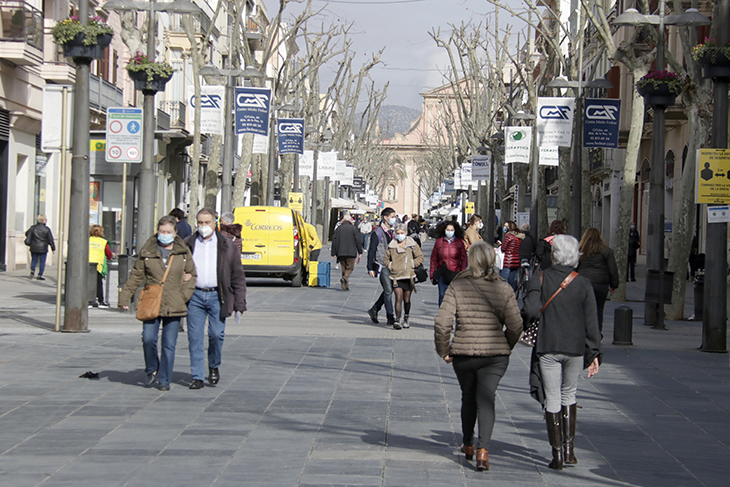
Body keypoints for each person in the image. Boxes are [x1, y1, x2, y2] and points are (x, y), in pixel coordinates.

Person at [434, 242, 523, 471]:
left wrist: (444, 350)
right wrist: (506, 345)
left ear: (471, 260)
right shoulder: (504, 288)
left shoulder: (458, 285)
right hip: (495, 355)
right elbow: (515, 325)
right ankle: (484, 450)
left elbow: (442, 322)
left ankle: (468, 443)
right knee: (487, 398)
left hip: (464, 352)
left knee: (468, 397)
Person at [523, 235, 601, 471]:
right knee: (570, 393)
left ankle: (556, 455)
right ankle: (570, 451)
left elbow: (532, 309)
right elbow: (592, 322)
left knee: (553, 396)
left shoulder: (541, 277)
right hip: (575, 347)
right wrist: (594, 352)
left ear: (554, 254)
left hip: (549, 344)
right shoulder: (583, 283)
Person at [119, 216, 197, 391]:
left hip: (174, 303)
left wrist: (183, 296)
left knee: (169, 344)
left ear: (175, 232)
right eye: (162, 231)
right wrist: (125, 297)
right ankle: (151, 368)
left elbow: (192, 275)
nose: (165, 235)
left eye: (168, 232)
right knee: (148, 338)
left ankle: (164, 379)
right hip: (151, 301)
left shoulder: (183, 252)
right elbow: (136, 275)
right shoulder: (148, 251)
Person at [184, 208, 248, 390]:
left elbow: (237, 275)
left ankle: (214, 365)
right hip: (194, 296)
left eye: (207, 222)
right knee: (195, 337)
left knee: (216, 334)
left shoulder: (227, 245)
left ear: (215, 223)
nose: (203, 226)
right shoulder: (188, 244)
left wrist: (240, 303)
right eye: (200, 223)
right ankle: (196, 375)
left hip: (217, 296)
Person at [578, 228, 619, 335]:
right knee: (598, 309)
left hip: (583, 283)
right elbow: (613, 270)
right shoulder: (607, 251)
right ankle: (596, 332)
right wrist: (614, 285)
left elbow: (575, 267)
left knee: (583, 308)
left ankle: (584, 331)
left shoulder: (580, 251)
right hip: (601, 284)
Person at [383, 224, 424, 329]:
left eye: (402, 233)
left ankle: (406, 317)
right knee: (398, 297)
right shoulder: (391, 245)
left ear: (406, 233)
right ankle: (397, 319)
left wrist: (412, 264)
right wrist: (391, 266)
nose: (400, 235)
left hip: (409, 275)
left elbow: (420, 256)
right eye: (398, 233)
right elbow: (386, 259)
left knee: (407, 299)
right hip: (396, 276)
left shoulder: (412, 244)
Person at [367, 207, 398, 326]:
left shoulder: (395, 232)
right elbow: (372, 250)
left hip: (394, 265)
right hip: (382, 265)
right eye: (392, 217)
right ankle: (390, 316)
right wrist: (370, 268)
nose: (394, 219)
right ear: (385, 218)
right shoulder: (377, 233)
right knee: (389, 290)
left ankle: (374, 309)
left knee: (389, 290)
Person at [430, 221, 468, 306]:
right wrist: (432, 274)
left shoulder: (459, 243)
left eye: (452, 230)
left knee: (453, 297)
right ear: (444, 230)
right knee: (442, 295)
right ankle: (442, 315)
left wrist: (462, 273)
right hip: (442, 273)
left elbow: (464, 259)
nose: (450, 232)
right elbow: (433, 259)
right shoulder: (439, 242)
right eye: (448, 230)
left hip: (455, 274)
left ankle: (452, 314)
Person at [331, 214, 363, 291]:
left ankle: (345, 285)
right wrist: (360, 251)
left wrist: (334, 252)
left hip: (340, 252)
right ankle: (345, 278)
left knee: (344, 269)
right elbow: (358, 240)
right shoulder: (353, 228)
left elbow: (334, 240)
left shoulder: (338, 229)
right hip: (351, 252)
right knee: (350, 268)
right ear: (350, 220)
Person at [25, 214, 55, 280]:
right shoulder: (47, 229)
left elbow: (27, 233)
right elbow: (50, 240)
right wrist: (53, 248)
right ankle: (40, 275)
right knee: (42, 261)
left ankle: (32, 271)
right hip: (43, 248)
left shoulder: (33, 228)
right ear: (44, 220)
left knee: (34, 260)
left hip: (34, 246)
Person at [89, 225, 113, 308]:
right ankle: (100, 300)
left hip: (87, 264)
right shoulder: (103, 242)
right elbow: (108, 253)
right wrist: (110, 257)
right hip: (97, 264)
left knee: (87, 282)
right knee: (98, 283)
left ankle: (88, 300)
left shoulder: (87, 240)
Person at [499, 221, 522, 289]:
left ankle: (504, 296)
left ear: (509, 228)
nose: (504, 228)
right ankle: (512, 294)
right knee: (512, 280)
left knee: (504, 280)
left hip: (507, 261)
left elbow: (503, 248)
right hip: (516, 261)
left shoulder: (508, 236)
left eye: (506, 226)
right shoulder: (518, 237)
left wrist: (500, 244)